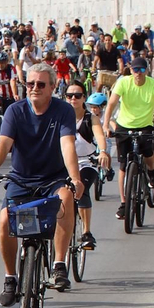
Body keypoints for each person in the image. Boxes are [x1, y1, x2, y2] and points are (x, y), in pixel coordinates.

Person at [0, 62, 84, 299]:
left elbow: (67, 146)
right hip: (21, 180)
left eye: (40, 84)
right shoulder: (15, 111)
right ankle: (10, 278)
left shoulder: (63, 110)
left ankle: (59, 265)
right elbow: (4, 144)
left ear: (53, 86)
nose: (34, 88)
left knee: (66, 198)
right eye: (30, 83)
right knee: (5, 219)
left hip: (53, 178)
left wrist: (75, 178)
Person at [103, 57, 154, 213]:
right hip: (124, 125)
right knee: (123, 165)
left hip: (145, 125)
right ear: (131, 70)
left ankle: (151, 171)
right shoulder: (124, 82)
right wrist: (105, 125)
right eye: (136, 70)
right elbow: (112, 103)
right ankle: (123, 203)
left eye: (142, 70)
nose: (139, 73)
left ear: (147, 71)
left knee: (148, 152)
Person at [70, 86, 109, 251]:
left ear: (83, 98)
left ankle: (86, 233)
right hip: (65, 163)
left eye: (77, 95)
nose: (73, 98)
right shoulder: (60, 117)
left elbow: (99, 135)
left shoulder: (90, 118)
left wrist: (103, 152)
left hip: (87, 162)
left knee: (81, 188)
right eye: (69, 95)